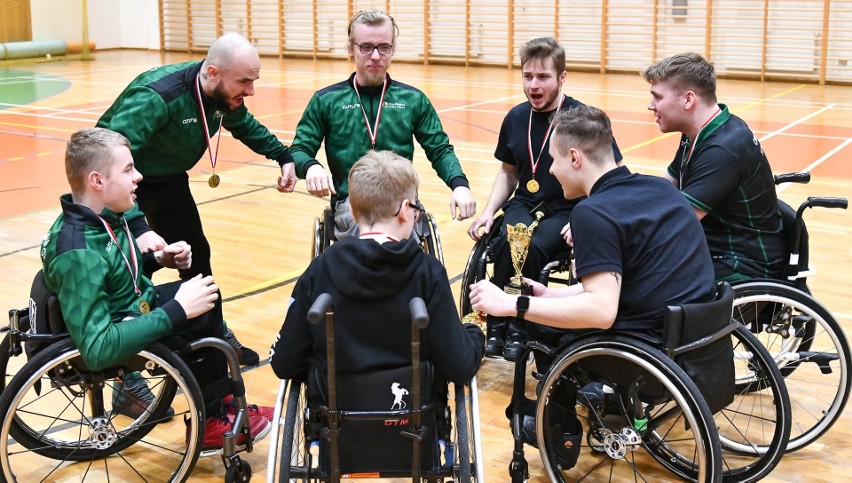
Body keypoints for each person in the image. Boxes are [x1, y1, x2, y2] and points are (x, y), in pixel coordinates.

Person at [469, 105, 715, 466]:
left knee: (540, 325)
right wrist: (551, 293)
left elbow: (601, 311)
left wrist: (512, 307)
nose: (551, 170)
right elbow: (629, 279)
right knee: (549, 309)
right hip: (696, 335)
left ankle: (559, 431)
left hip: (647, 349)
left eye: (553, 160)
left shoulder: (593, 213)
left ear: (574, 157)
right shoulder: (659, 189)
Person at [40, 127, 273, 451]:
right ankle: (210, 422)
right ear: (97, 181)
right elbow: (97, 349)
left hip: (128, 309)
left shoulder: (101, 217)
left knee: (206, 293)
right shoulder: (78, 251)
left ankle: (222, 405)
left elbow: (113, 274)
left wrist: (158, 260)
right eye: (128, 170)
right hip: (115, 331)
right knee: (198, 311)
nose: (139, 177)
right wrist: (175, 312)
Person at [96, 33, 296, 365]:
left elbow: (243, 125)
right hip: (122, 186)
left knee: (196, 257)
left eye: (253, 81)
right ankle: (124, 380)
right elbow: (107, 158)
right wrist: (135, 223)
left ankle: (212, 338)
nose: (250, 91)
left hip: (169, 181)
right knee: (128, 272)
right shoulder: (157, 97)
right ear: (213, 72)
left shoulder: (220, 96)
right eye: (244, 81)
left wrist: (282, 155)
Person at [270, 149, 484, 392]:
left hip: (335, 420)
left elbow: (284, 363)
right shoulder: (428, 272)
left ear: (351, 210)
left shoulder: (321, 268)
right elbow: (460, 366)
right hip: (413, 416)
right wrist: (474, 332)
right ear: (405, 210)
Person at [467, 37, 622, 361]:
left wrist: (592, 220)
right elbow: (508, 172)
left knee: (536, 246)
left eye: (543, 77)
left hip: (571, 207)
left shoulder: (581, 120)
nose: (533, 85)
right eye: (528, 76)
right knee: (511, 238)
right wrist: (488, 210)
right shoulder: (515, 117)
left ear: (562, 77)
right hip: (526, 201)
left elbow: (612, 175)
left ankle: (524, 324)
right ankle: (498, 325)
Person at [289, 9, 476, 239]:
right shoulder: (326, 101)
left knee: (404, 249)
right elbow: (298, 150)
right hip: (353, 205)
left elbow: (439, 150)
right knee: (372, 240)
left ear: (393, 49)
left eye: (384, 47)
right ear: (351, 49)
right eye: (366, 47)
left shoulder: (413, 100)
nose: (375, 56)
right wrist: (311, 166)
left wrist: (459, 185)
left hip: (402, 204)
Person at [643, 52, 786, 282]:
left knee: (644, 278)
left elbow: (678, 219)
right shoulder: (698, 131)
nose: (651, 105)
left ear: (688, 100)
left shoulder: (722, 149)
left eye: (657, 97)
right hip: (714, 246)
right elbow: (666, 185)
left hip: (743, 262)